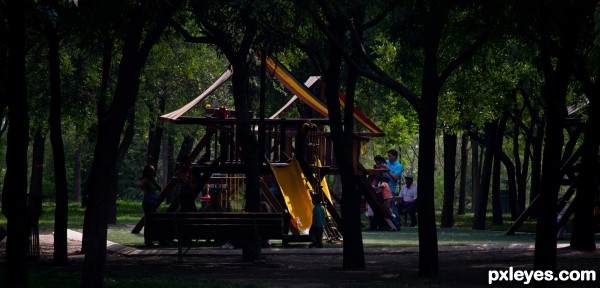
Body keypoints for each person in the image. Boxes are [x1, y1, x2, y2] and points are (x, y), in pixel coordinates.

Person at [139, 164, 161, 247]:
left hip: (153, 202)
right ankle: (148, 241)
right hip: (148, 203)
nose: (153, 172)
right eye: (152, 170)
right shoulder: (145, 179)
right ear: (148, 171)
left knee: (151, 221)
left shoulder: (152, 179)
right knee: (148, 222)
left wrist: (154, 181)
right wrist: (145, 190)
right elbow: (140, 184)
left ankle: (151, 239)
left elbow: (159, 188)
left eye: (154, 170)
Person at [385, 149, 403, 227]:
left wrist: (388, 170)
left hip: (390, 189)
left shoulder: (399, 166)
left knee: (392, 207)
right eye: (388, 156)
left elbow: (396, 177)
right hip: (382, 187)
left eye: (390, 156)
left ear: (395, 156)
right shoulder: (386, 162)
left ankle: (397, 223)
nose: (388, 158)